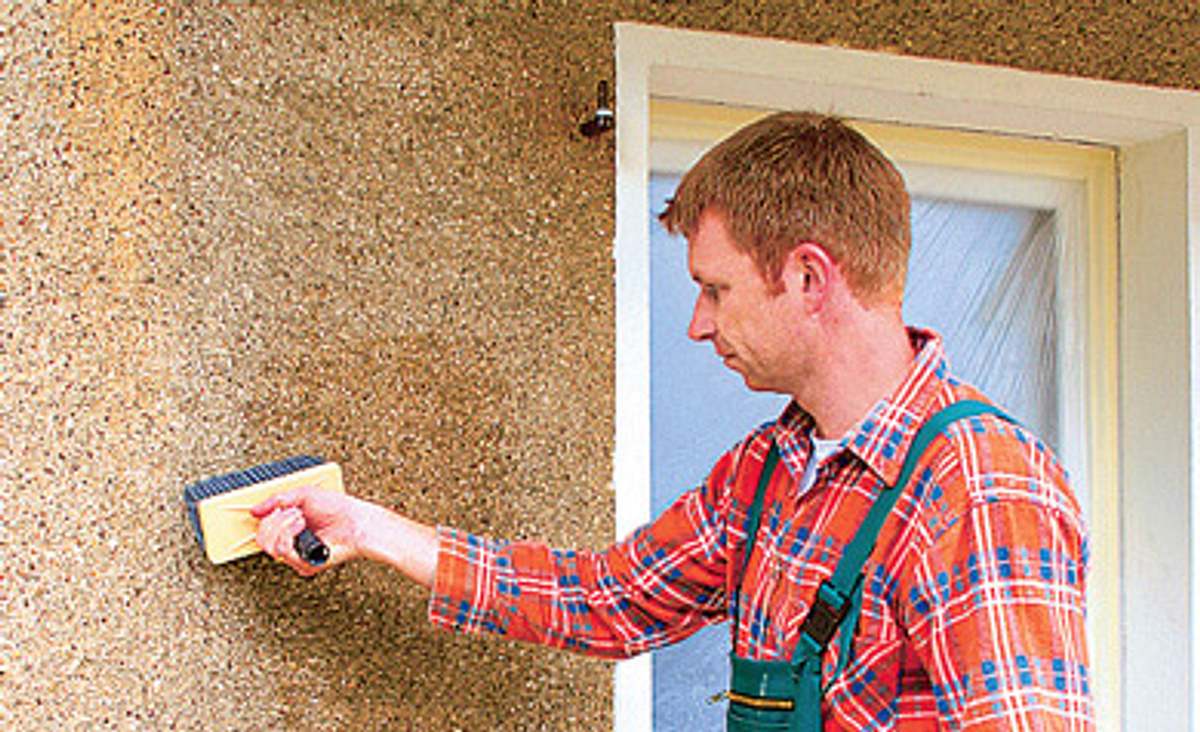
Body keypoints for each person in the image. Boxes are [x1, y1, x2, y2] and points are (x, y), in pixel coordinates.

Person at [253, 112, 1093, 729]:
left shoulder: (977, 487)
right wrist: (373, 530)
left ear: (809, 279)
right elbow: (608, 599)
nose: (697, 324)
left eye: (716, 289)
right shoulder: (769, 472)